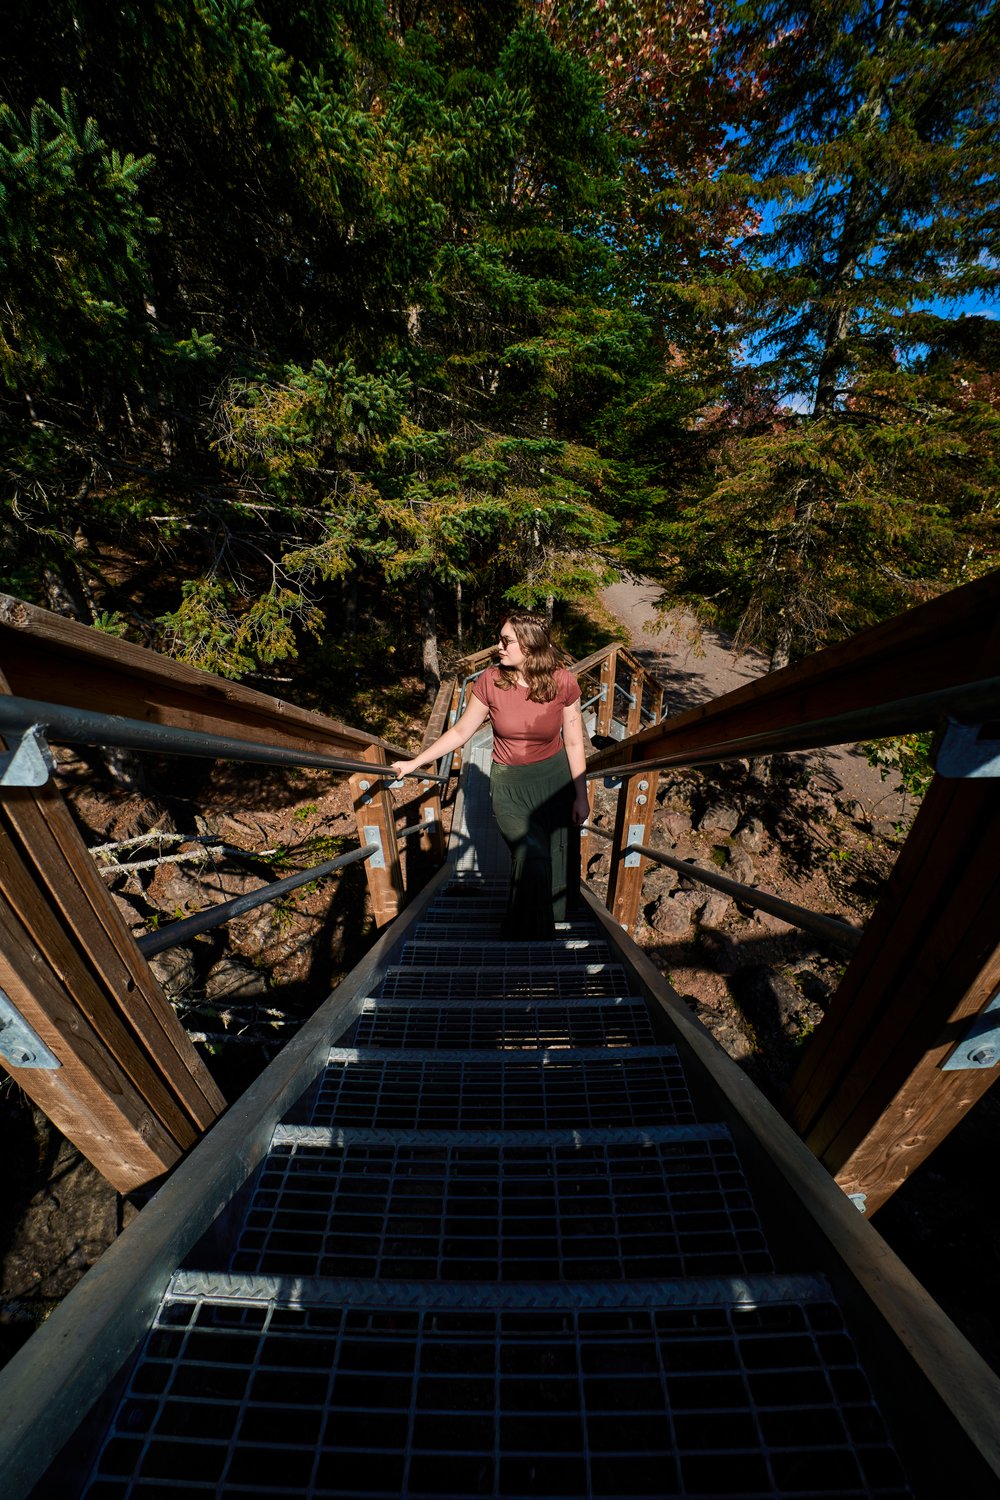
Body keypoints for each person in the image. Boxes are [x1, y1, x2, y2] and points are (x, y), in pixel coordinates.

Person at [392, 611, 589, 939]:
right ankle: (528, 933)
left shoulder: (563, 681)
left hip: (553, 782)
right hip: (508, 784)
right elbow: (460, 732)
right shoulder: (490, 680)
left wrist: (581, 795)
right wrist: (415, 763)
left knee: (553, 850)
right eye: (500, 638)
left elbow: (573, 741)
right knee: (530, 852)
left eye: (506, 640)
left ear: (528, 644)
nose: (498, 646)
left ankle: (549, 916)